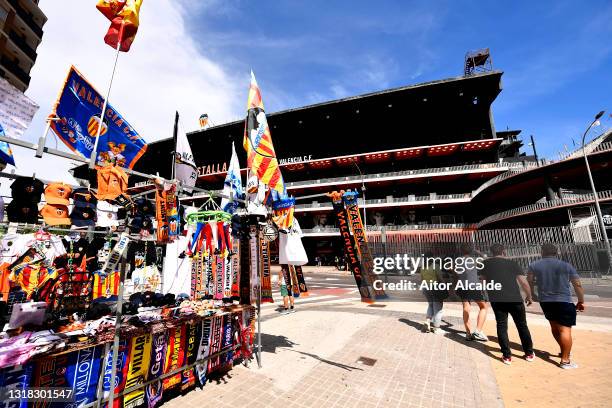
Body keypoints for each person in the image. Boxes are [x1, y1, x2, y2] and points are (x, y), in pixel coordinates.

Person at [528, 243, 585, 369]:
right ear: (556, 252)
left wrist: (532, 294)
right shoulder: (566, 266)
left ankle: (563, 351)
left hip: (545, 302)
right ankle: (565, 360)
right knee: (565, 330)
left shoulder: (534, 265)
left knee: (554, 328)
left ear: (542, 252)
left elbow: (529, 282)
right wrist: (581, 301)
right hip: (564, 301)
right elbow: (578, 285)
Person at [479, 243, 534, 365]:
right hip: (514, 299)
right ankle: (529, 353)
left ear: (491, 252)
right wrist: (529, 296)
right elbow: (523, 282)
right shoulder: (512, 263)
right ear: (504, 251)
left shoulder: (485, 264)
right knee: (522, 326)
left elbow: (482, 282)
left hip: (497, 299)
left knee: (501, 325)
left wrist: (485, 295)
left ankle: (507, 356)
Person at [455, 243, 488, 341]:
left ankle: (468, 334)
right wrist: (477, 251)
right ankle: (478, 331)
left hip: (462, 286)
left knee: (466, 307)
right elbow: (485, 259)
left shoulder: (458, 261)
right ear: (471, 251)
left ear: (461, 250)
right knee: (483, 307)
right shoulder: (474, 260)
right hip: (473, 286)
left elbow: (455, 272)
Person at [419, 255, 447, 334]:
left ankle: (427, 322)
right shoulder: (435, 266)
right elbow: (440, 278)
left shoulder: (423, 267)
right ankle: (436, 328)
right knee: (438, 309)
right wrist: (445, 286)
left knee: (430, 305)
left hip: (425, 288)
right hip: (434, 287)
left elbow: (421, 279)